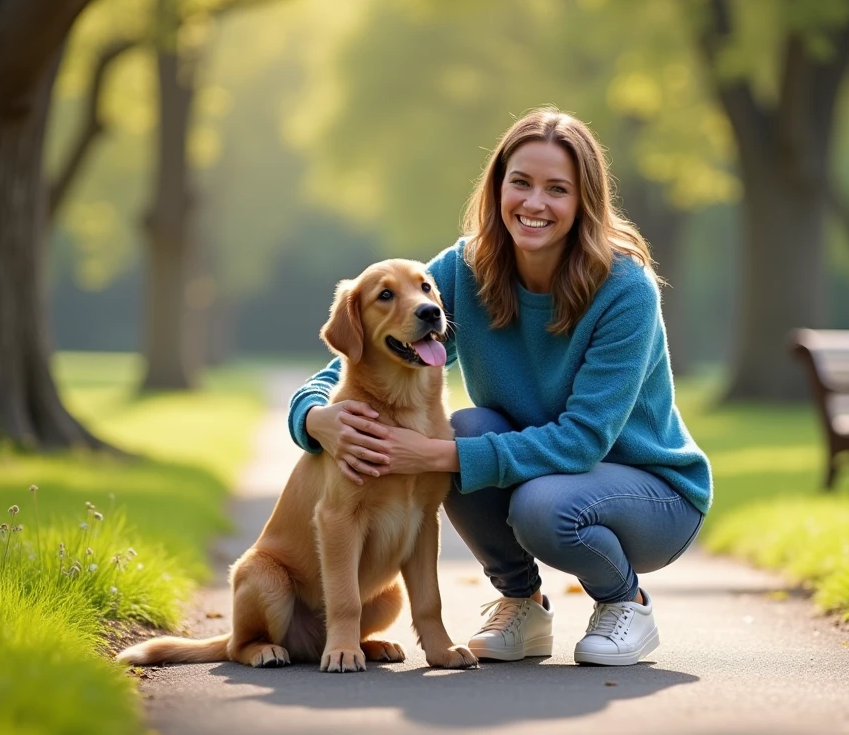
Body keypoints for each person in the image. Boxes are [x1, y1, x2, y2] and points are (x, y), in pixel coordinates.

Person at [288, 107, 711, 667]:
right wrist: (314, 417)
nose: (534, 204)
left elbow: (582, 441)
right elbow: (359, 356)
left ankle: (623, 601)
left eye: (557, 189)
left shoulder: (624, 288)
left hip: (651, 492)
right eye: (521, 183)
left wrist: (434, 455)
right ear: (498, 188)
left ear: (584, 201)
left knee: (523, 494)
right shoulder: (466, 270)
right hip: (554, 476)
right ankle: (523, 604)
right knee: (467, 431)